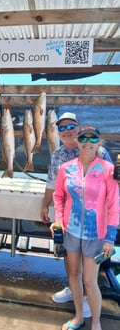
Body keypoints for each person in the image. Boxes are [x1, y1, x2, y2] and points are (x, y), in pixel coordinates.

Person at [40, 112, 112, 318]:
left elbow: (113, 186)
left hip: (94, 219)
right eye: (61, 128)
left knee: (91, 262)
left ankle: (90, 296)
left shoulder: (100, 152)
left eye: (70, 126)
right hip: (68, 217)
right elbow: (53, 185)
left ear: (79, 128)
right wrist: (45, 206)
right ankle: (73, 289)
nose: (66, 131)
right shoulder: (57, 155)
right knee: (68, 255)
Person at [50, 125, 119, 330]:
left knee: (90, 281)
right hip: (70, 232)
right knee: (73, 276)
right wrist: (59, 220)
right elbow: (58, 196)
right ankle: (79, 317)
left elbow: (115, 204)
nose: (87, 143)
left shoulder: (108, 170)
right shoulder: (66, 168)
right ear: (78, 142)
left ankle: (96, 323)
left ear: (98, 142)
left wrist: (109, 237)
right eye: (83, 139)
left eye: (92, 139)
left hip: (95, 235)